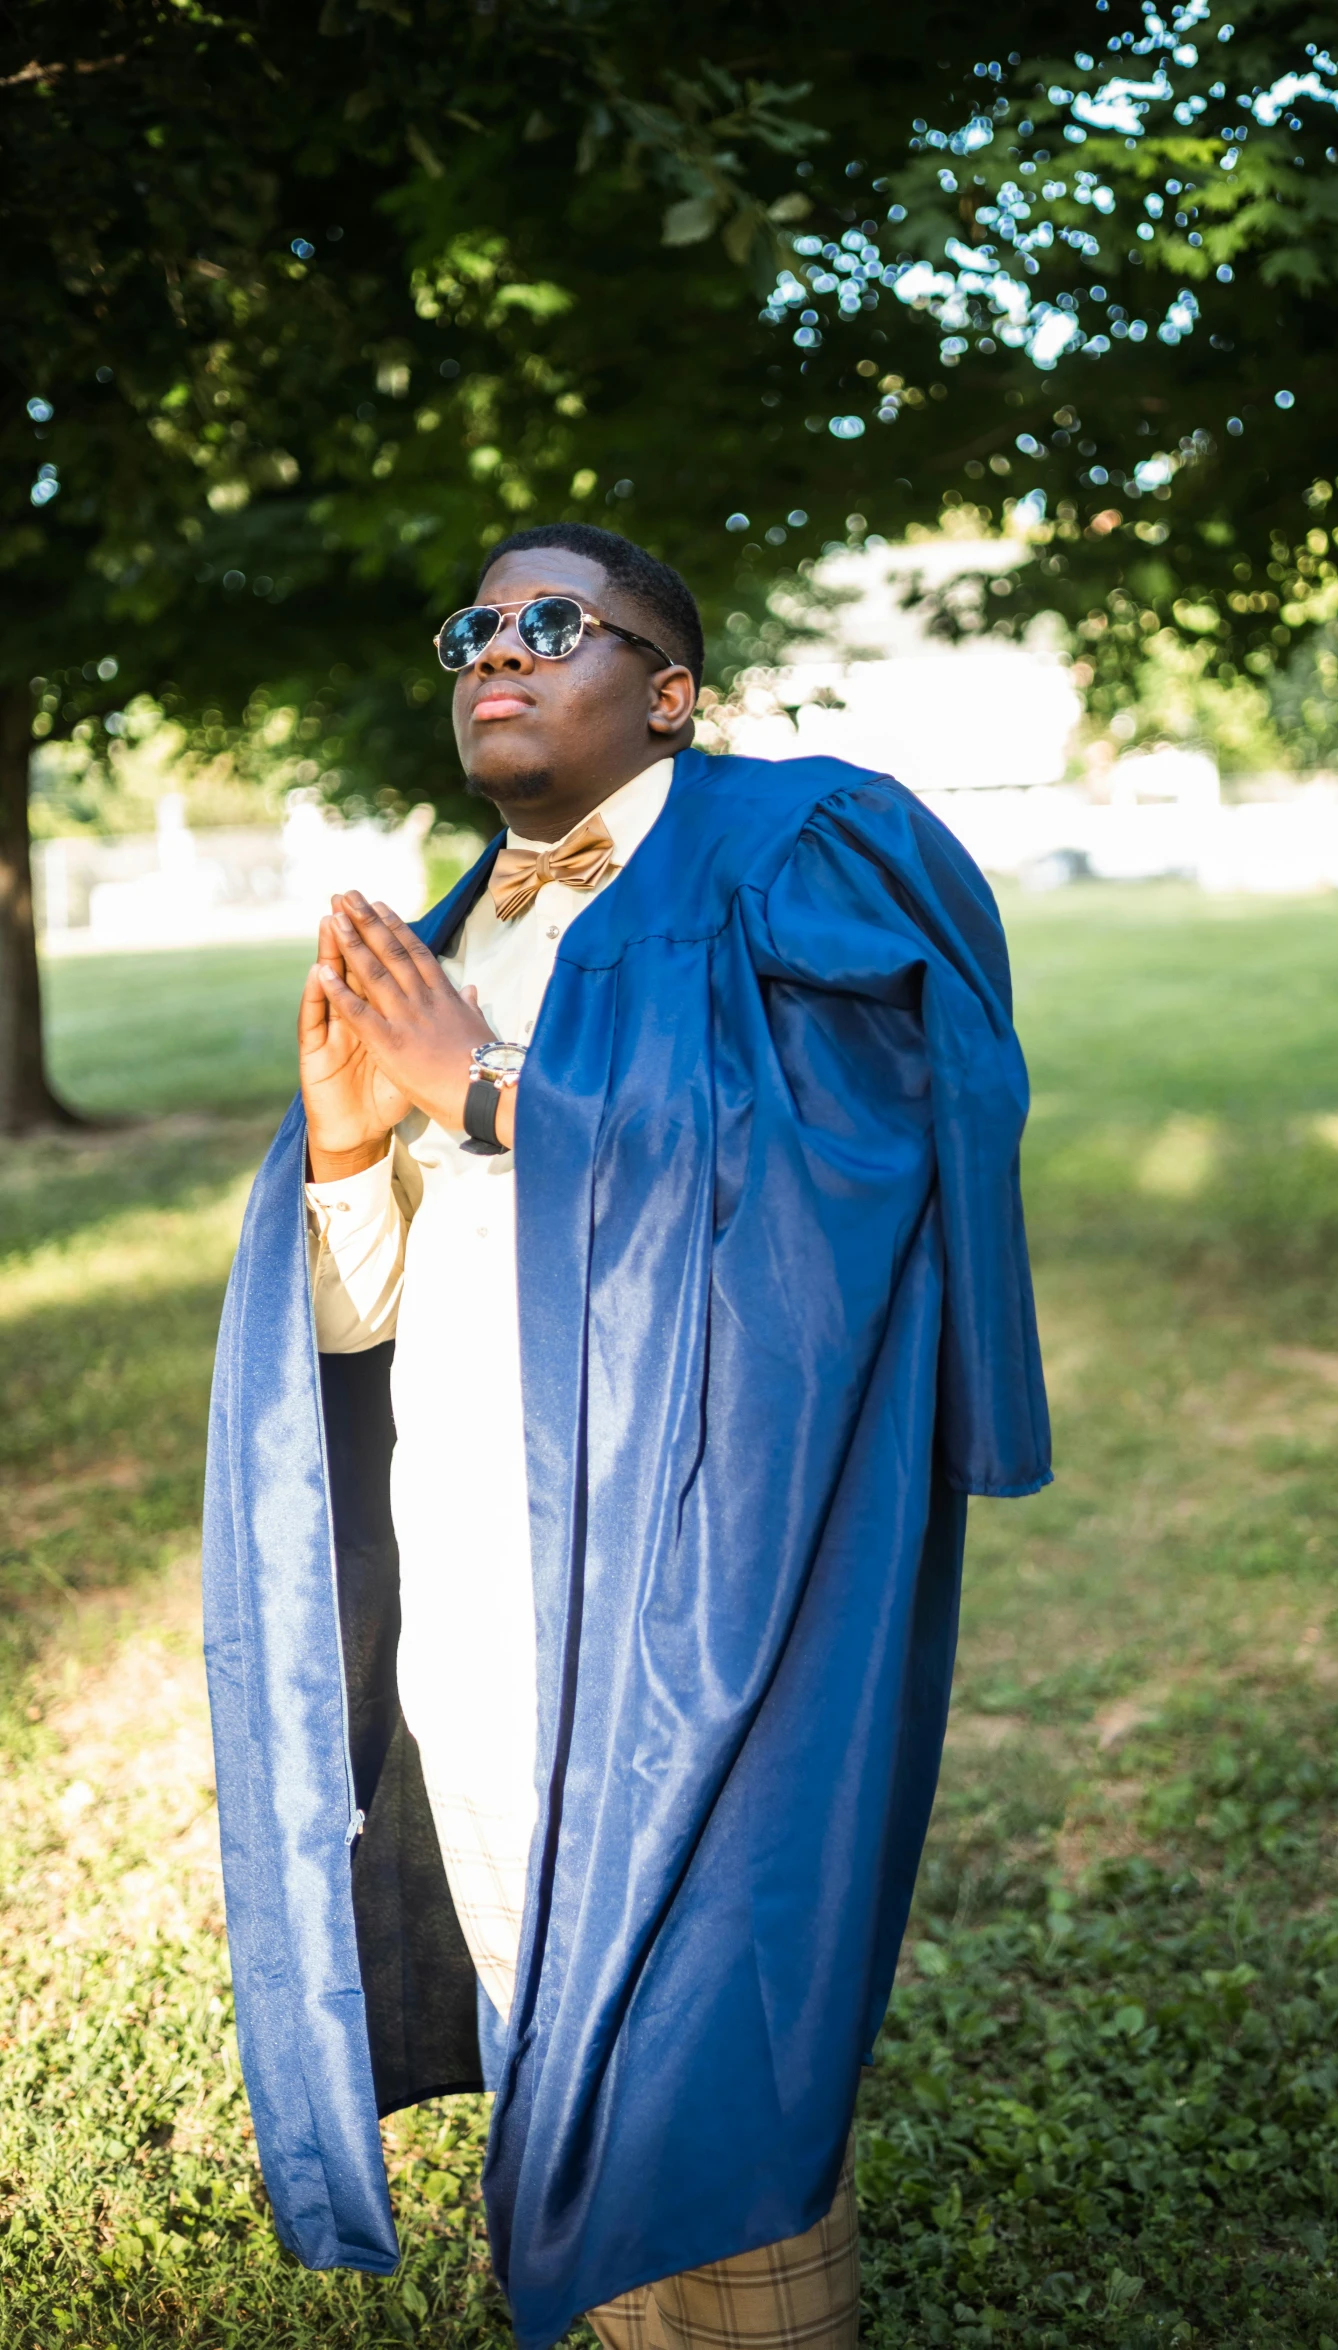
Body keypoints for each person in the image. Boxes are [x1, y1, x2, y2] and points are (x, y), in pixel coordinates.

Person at [203, 522, 1050, 2350]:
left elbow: (860, 1169)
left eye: (552, 622)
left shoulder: (800, 848)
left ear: (669, 691)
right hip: (484, 1566)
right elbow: (359, 1327)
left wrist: (490, 1090)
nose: (496, 651)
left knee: (705, 2001)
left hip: (712, 1570)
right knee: (542, 1953)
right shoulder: (450, 938)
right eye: (474, 629)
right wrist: (353, 1148)